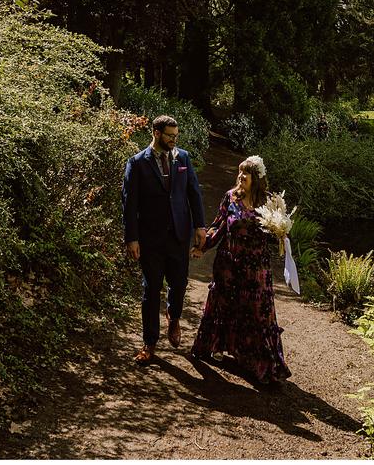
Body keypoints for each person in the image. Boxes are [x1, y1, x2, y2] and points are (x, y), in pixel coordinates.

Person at [189, 155, 292, 386]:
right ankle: (215, 346)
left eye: (246, 173)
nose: (241, 176)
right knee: (225, 305)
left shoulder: (269, 202)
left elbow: (279, 234)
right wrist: (203, 247)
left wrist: (281, 232)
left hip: (256, 269)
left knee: (258, 312)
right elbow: (219, 225)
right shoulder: (230, 197)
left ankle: (262, 364)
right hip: (229, 263)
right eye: (240, 172)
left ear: (256, 178)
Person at [122, 115, 205, 363]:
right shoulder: (136, 163)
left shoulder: (183, 158)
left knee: (178, 284)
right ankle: (149, 342)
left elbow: (194, 193)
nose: (174, 140)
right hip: (150, 238)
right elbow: (130, 204)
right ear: (156, 133)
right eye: (170, 135)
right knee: (151, 289)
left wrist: (200, 226)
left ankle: (174, 316)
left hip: (179, 235)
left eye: (176, 136)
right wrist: (132, 238)